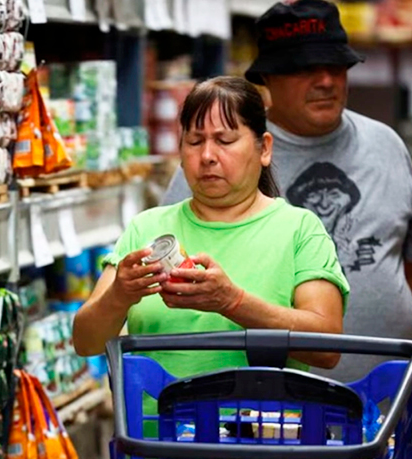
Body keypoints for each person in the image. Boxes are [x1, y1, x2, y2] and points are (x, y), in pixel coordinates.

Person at [159, 0, 412, 438]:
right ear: (267, 80)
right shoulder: (217, 160)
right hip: (264, 422)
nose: (325, 81)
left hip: (383, 412)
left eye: (337, 66)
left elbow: (409, 274)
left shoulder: (386, 148)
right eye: (305, 68)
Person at [73, 76, 350, 386]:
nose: (207, 155)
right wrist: (118, 296)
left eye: (225, 140)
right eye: (194, 141)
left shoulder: (299, 229)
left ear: (264, 148)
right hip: (154, 432)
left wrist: (231, 302)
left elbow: (327, 348)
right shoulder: (147, 228)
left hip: (264, 429)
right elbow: (86, 343)